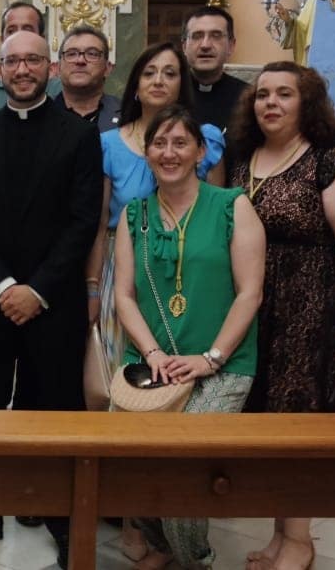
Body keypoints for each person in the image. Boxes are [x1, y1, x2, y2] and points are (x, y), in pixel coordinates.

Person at [0, 31, 101, 568]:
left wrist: (38, 289)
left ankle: (54, 513)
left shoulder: (78, 135)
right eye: (13, 61)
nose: (23, 69)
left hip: (54, 301)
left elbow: (82, 221)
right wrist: (6, 286)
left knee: (51, 409)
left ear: (50, 68)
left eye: (33, 59)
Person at [229, 62, 335, 570]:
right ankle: (279, 535)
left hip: (308, 307)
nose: (270, 102)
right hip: (254, 307)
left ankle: (299, 542)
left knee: (297, 423)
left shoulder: (328, 162)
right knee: (268, 423)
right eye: (263, 94)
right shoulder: (244, 158)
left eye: (284, 94)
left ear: (305, 103)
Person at [113, 106, 265, 569]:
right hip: (151, 365)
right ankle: (161, 547)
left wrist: (211, 358)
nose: (169, 152)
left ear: (201, 151)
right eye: (159, 143)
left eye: (181, 143)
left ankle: (194, 558)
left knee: (183, 467)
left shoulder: (232, 205)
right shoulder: (134, 215)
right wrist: (154, 352)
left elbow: (250, 293)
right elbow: (122, 295)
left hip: (221, 365)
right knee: (131, 465)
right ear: (147, 151)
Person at [88, 43, 225, 405]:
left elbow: (219, 214)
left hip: (189, 263)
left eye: (169, 72)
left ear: (183, 84)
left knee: (183, 369)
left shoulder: (206, 138)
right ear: (135, 84)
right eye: (149, 72)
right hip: (125, 266)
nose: (159, 80)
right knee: (128, 371)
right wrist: (92, 286)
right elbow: (100, 223)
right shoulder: (108, 144)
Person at [181, 6, 249, 131]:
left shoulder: (248, 97)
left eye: (216, 36)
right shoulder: (170, 93)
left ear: (231, 46)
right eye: (197, 36)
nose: (205, 45)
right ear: (184, 46)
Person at [50, 25, 120, 131]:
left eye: (92, 54)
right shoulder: (40, 114)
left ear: (107, 68)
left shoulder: (128, 115)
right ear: (58, 67)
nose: (80, 60)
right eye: (71, 54)